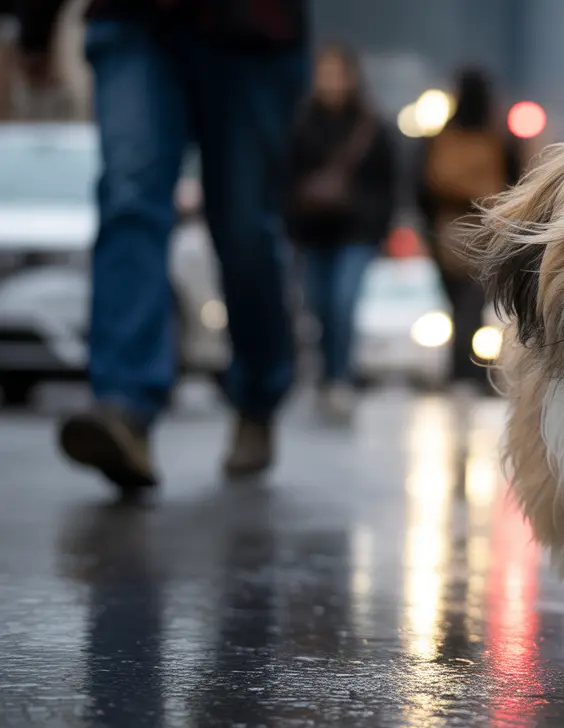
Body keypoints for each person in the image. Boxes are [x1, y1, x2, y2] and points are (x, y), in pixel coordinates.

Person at [17, 0, 309, 492]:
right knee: (130, 200)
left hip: (254, 29)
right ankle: (124, 405)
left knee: (244, 229)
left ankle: (258, 394)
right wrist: (36, 26)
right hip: (134, 19)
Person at [286, 43, 396, 423]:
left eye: (336, 73)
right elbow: (287, 177)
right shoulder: (300, 122)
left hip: (356, 232)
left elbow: (388, 183)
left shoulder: (370, 124)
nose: (329, 82)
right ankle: (324, 372)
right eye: (324, 73)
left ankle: (340, 377)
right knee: (317, 305)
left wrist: (377, 227)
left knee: (343, 302)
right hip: (313, 232)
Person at [416, 68, 522, 395]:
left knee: (459, 304)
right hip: (486, 230)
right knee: (471, 305)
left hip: (446, 230)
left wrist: (430, 229)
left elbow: (423, 189)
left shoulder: (438, 138)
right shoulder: (501, 139)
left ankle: (460, 371)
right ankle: (471, 372)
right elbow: (514, 187)